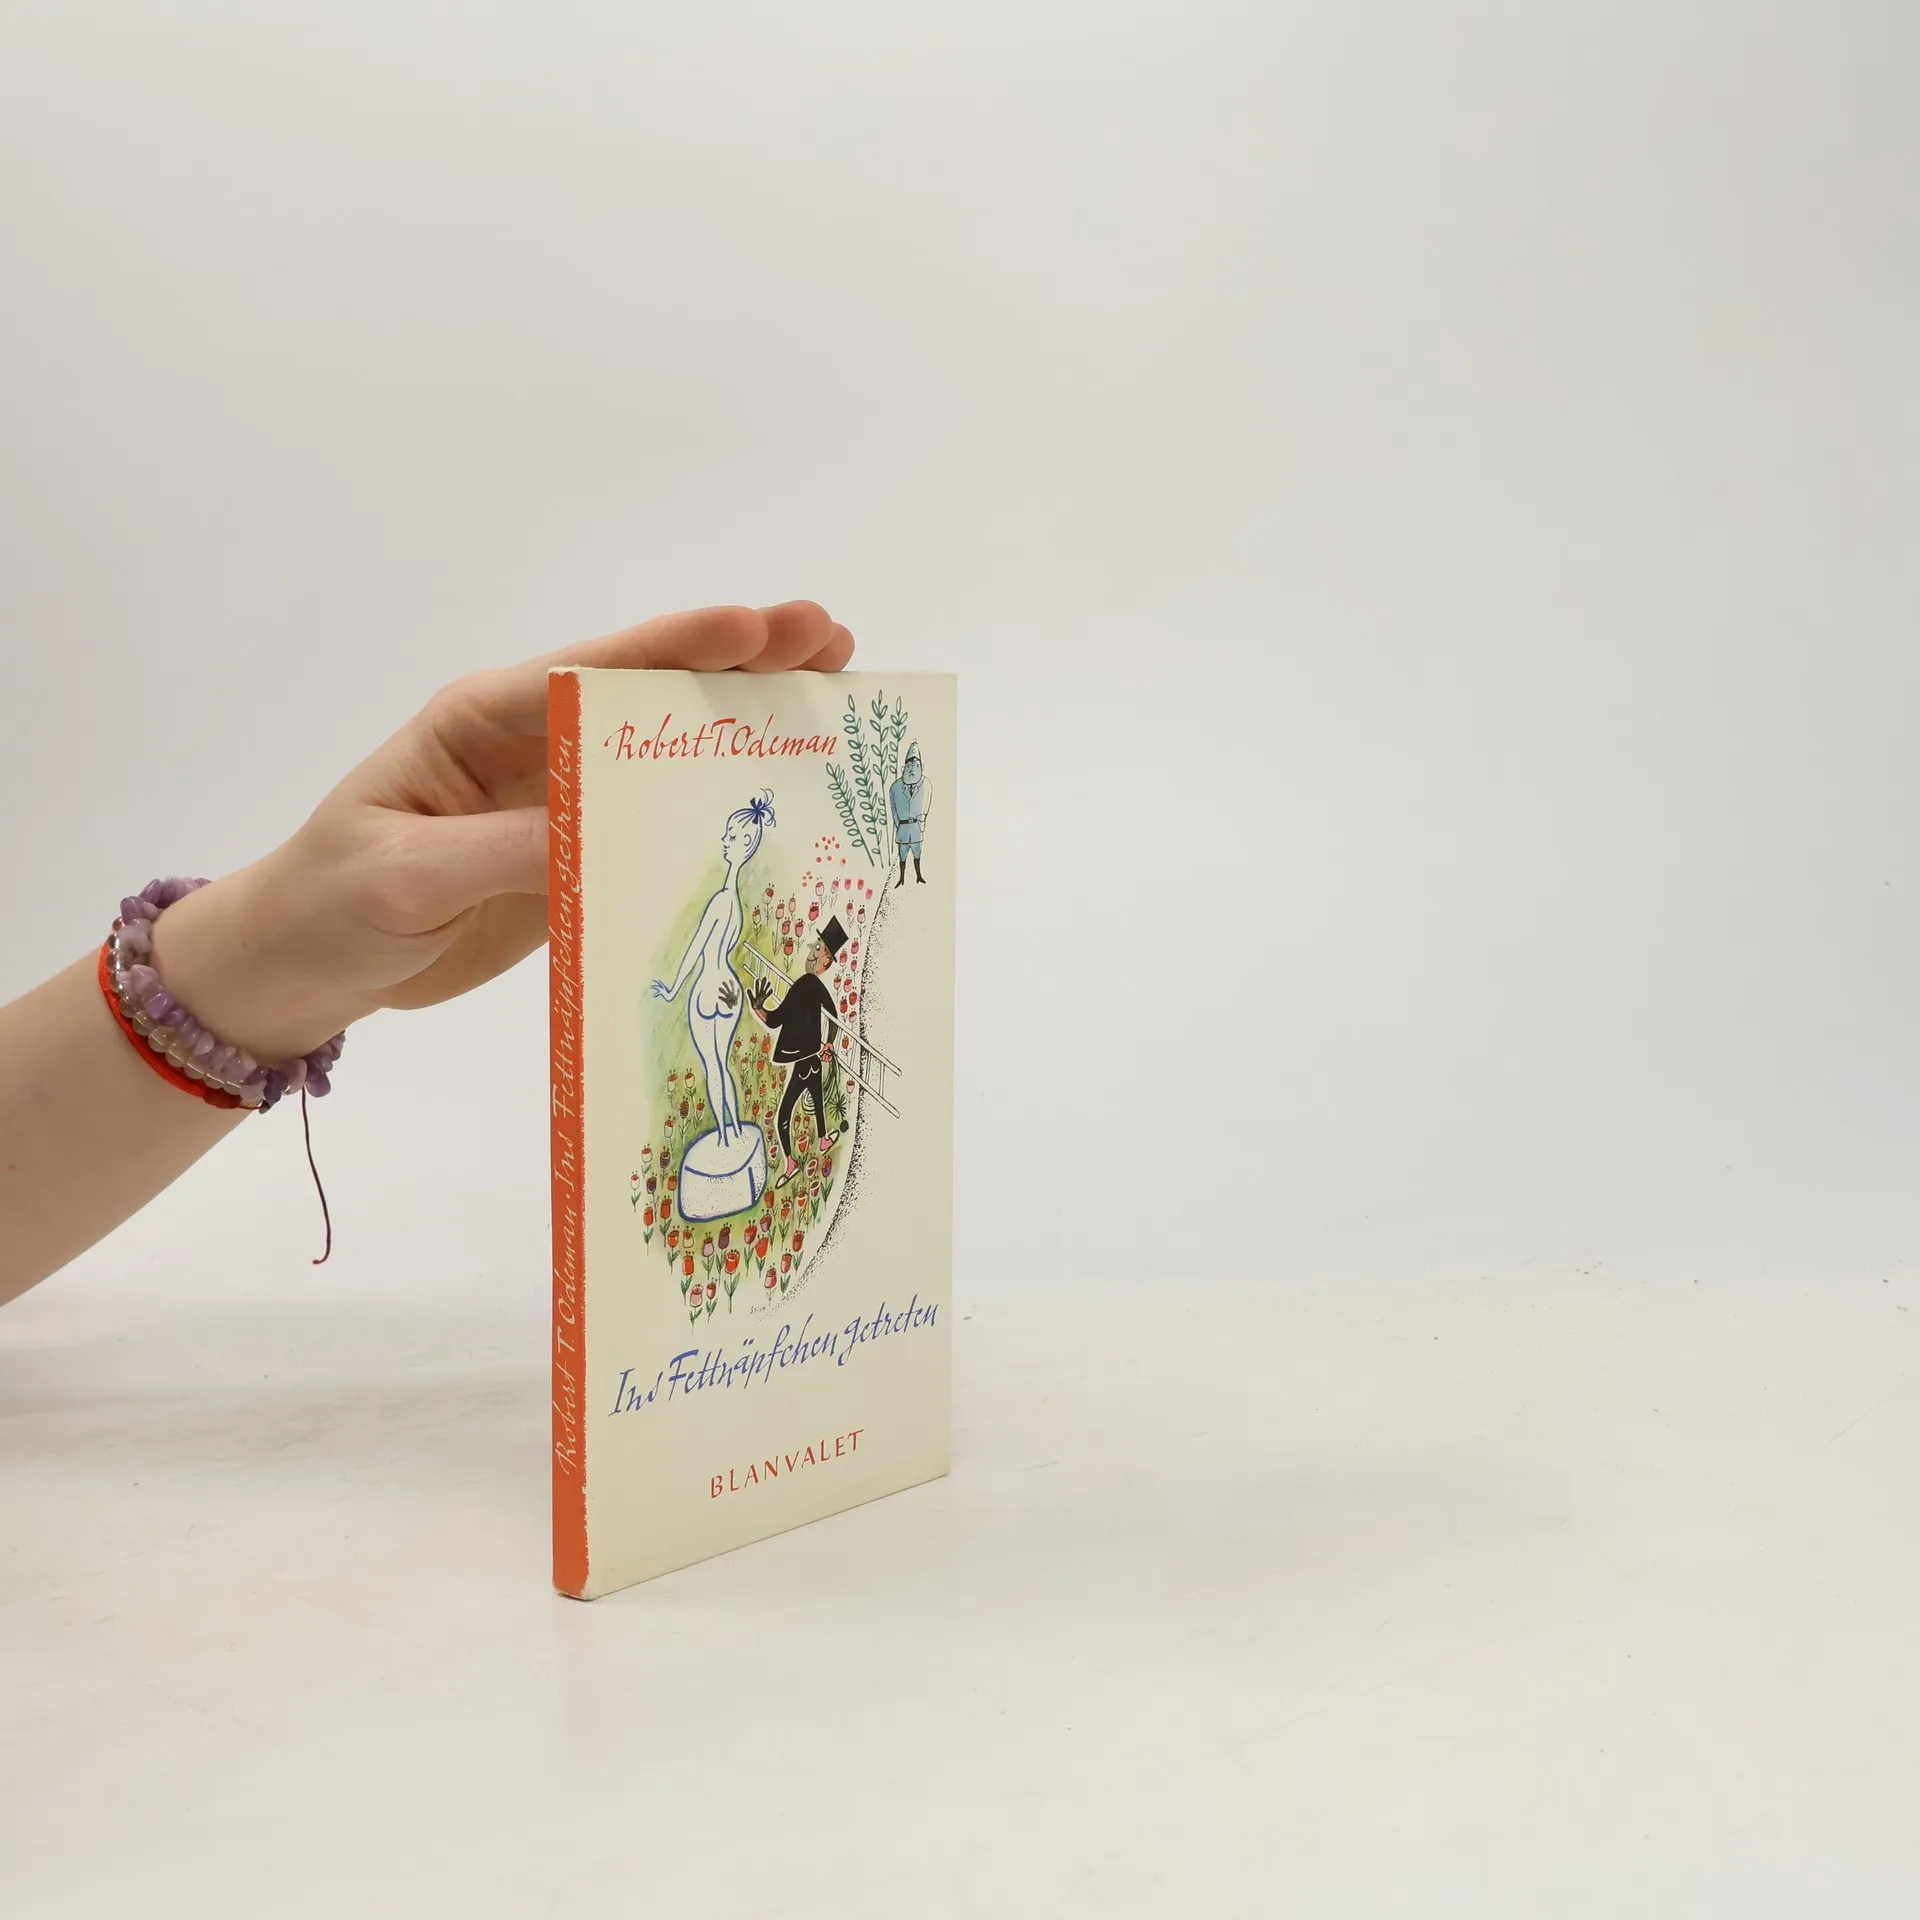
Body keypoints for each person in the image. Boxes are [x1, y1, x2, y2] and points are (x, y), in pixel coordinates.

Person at [0, 601, 855, 1309]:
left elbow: (713, 948)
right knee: (716, 1079)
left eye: (741, 839)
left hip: (710, 998)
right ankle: (733, 1139)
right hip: (710, 998)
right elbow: (712, 948)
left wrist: (274, 956)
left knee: (719, 1079)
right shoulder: (722, 894)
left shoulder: (723, 895)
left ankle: (734, 1138)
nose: (735, 845)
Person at [651, 789, 776, 1149]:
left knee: (713, 1068)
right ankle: (735, 1129)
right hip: (730, 989)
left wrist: (673, 989)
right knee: (723, 1065)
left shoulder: (721, 901)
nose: (725, 840)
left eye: (732, 837)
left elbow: (696, 949)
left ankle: (724, 1137)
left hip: (708, 988)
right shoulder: (734, 903)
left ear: (747, 844)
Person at [749, 915, 845, 1185]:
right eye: (815, 945)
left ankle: (792, 1162)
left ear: (826, 961)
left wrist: (829, 1042)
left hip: (806, 1061)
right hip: (808, 1060)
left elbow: (833, 1015)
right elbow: (776, 1019)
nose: (812, 951)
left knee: (785, 1113)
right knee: (814, 1101)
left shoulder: (811, 984)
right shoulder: (803, 984)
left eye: (818, 948)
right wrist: (758, 1007)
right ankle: (821, 1140)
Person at [889, 741, 930, 887]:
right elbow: (893, 810)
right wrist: (898, 826)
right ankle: (901, 878)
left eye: (916, 766)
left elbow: (926, 804)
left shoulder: (926, 784)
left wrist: (922, 824)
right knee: (902, 854)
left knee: (917, 853)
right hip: (903, 827)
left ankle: (919, 875)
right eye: (909, 766)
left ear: (921, 768)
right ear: (903, 768)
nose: (912, 769)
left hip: (916, 827)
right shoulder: (895, 787)